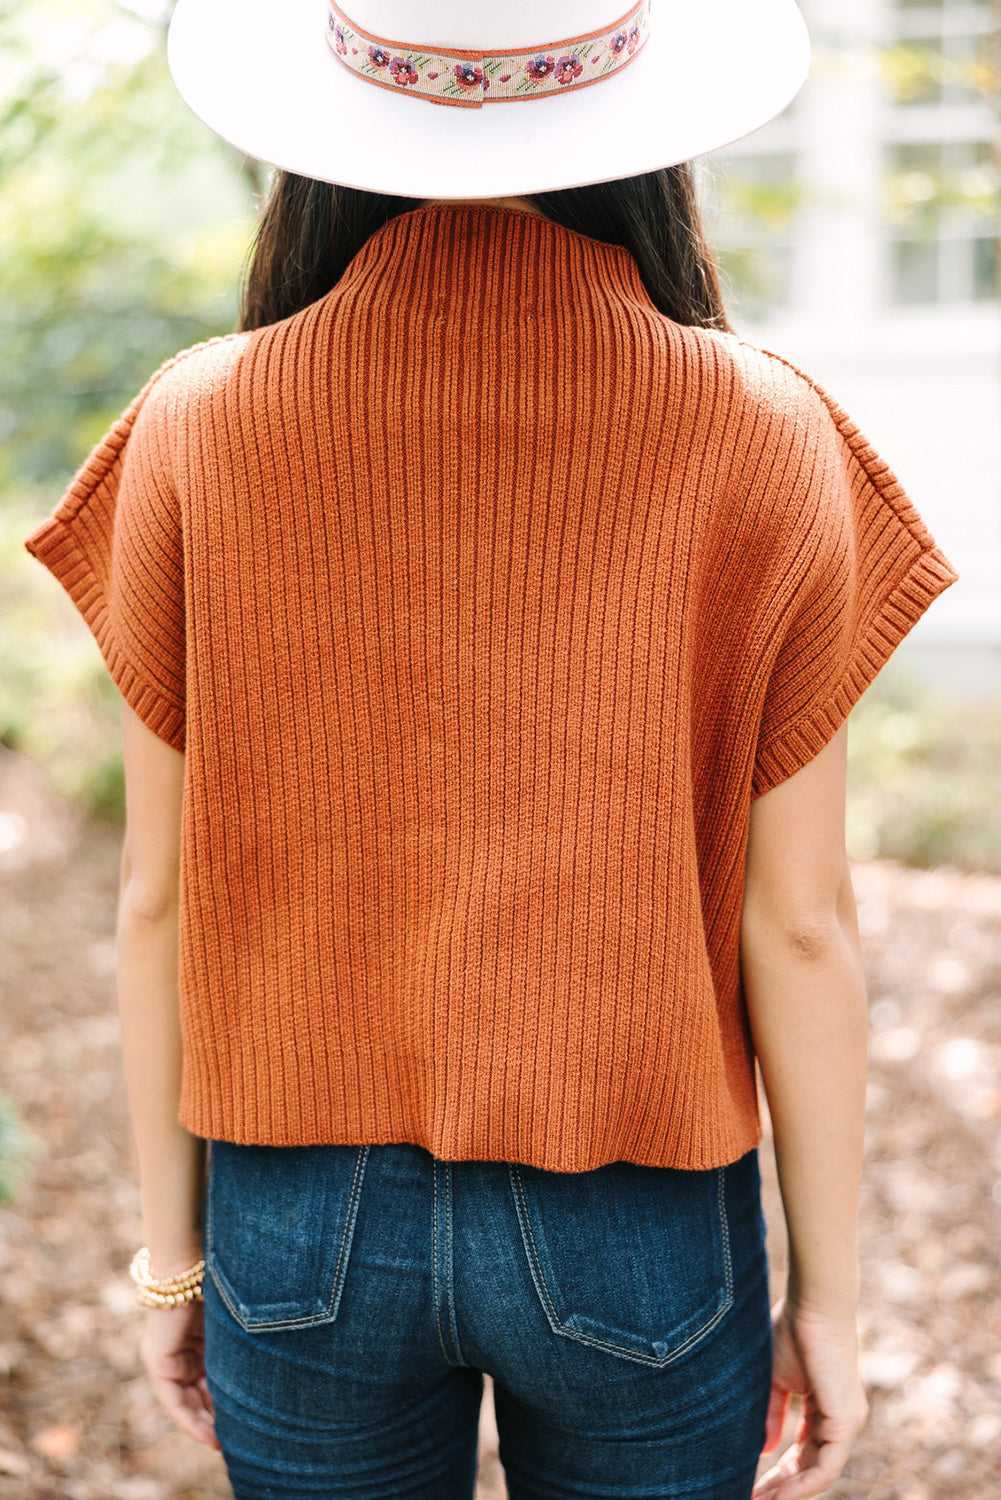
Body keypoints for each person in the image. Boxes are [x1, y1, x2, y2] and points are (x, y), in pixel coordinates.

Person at [24, 2, 960, 1497]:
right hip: (640, 1225)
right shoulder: (763, 432)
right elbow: (795, 921)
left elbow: (157, 899)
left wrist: (172, 1262)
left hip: (294, 1221)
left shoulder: (201, 423)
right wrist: (830, 1300)